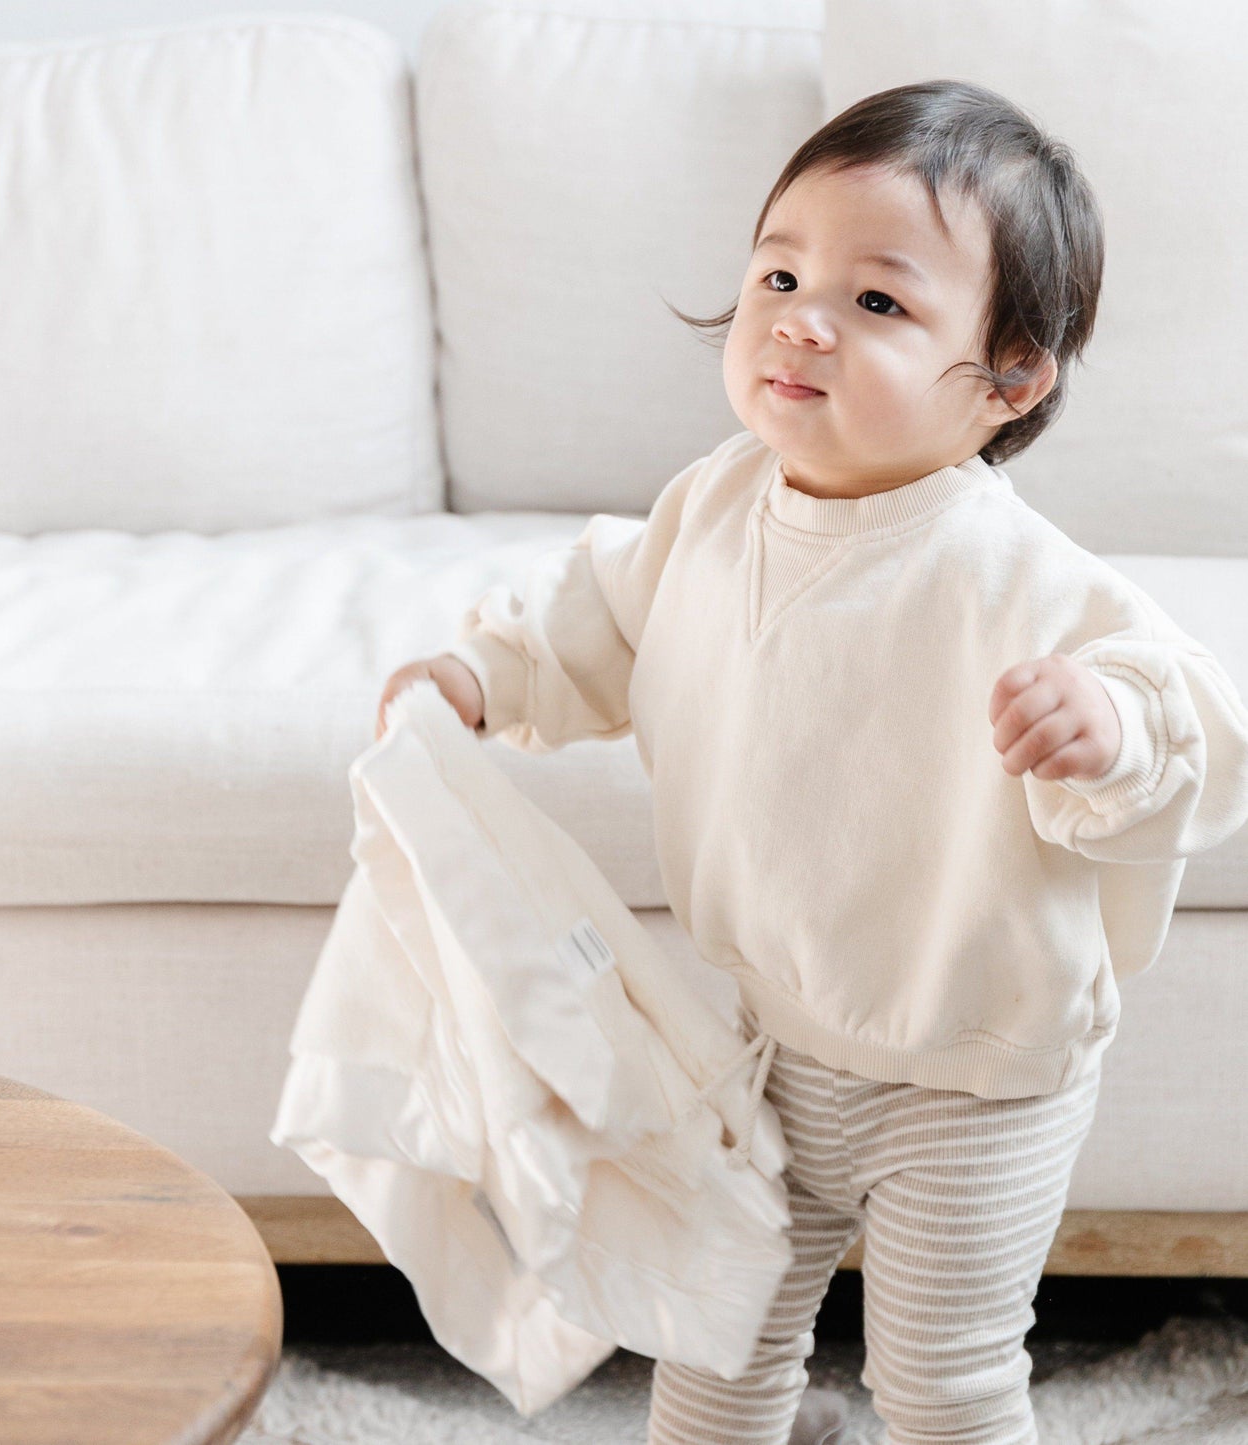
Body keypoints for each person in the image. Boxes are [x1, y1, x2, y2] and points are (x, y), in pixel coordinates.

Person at [373, 79, 1248, 1445]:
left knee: (945, 1383)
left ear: (1009, 375)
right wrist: (484, 675)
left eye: (879, 303)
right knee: (712, 1341)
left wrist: (1111, 724)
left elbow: (1192, 711)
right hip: (765, 1034)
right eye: (780, 271)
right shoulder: (713, 504)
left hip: (971, 1064)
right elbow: (596, 615)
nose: (799, 316)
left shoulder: (1011, 573)